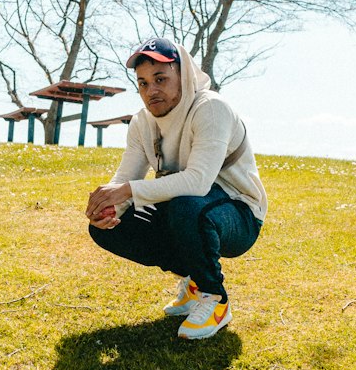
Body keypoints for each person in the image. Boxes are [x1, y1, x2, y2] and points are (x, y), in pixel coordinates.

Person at [85, 37, 267, 341]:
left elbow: (198, 182)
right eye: (142, 83)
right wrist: (106, 209)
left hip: (239, 215)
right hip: (187, 211)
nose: (151, 90)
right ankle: (192, 281)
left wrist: (127, 191)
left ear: (183, 75)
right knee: (106, 227)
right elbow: (126, 176)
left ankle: (215, 299)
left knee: (185, 205)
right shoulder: (142, 122)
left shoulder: (210, 107)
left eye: (160, 79)